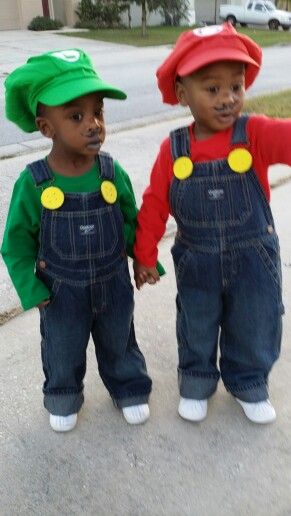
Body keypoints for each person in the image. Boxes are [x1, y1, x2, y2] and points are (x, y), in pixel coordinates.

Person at [134, 23, 291, 424]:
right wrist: (145, 254)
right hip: (197, 261)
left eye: (236, 86)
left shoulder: (253, 132)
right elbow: (154, 203)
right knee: (196, 323)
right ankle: (197, 381)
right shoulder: (175, 148)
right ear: (183, 93)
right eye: (212, 89)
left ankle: (249, 383)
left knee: (256, 322)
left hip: (253, 259)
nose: (228, 99)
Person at [1, 48, 154, 432]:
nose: (93, 125)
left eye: (98, 112)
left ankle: (129, 387)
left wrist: (145, 258)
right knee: (62, 348)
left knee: (120, 340)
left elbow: (131, 220)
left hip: (113, 284)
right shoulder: (34, 183)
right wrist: (30, 288)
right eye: (76, 116)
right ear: (46, 127)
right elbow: (16, 242)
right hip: (60, 292)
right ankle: (63, 396)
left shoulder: (110, 171)